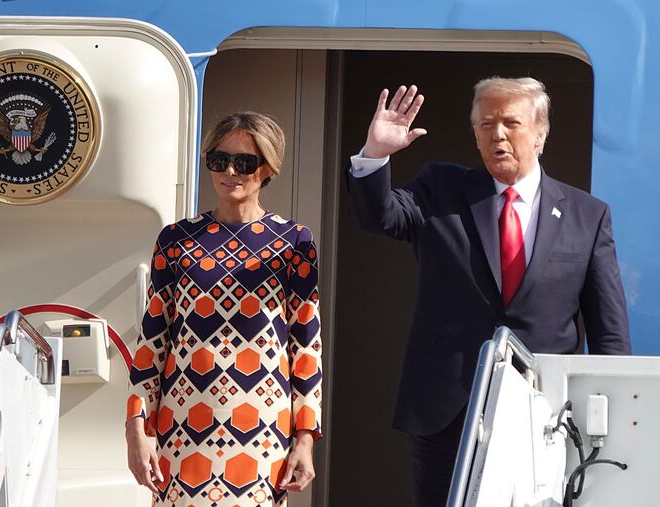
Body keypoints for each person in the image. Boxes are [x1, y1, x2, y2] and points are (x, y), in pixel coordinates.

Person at [346, 77, 631, 506]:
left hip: (543, 415)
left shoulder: (587, 216)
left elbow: (609, 330)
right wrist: (375, 156)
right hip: (447, 413)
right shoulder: (441, 188)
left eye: (511, 123)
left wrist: (613, 417)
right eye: (486, 124)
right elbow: (380, 217)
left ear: (540, 133)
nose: (497, 134)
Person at [125, 112, 323, 506]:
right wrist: (136, 428)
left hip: (263, 431)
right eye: (219, 160)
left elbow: (306, 349)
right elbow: (151, 342)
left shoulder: (294, 242)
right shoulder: (176, 240)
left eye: (244, 162)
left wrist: (305, 440)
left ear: (268, 168)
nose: (230, 171)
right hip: (180, 427)